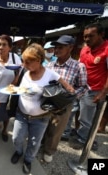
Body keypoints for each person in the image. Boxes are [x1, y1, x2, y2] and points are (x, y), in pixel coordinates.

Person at [10, 43, 74, 174]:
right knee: (16, 138)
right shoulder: (24, 71)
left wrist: (68, 92)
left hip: (40, 118)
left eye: (28, 62)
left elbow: (67, 87)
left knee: (34, 143)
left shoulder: (50, 74)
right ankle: (18, 151)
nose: (24, 64)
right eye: (23, 61)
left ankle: (28, 160)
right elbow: (15, 85)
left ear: (38, 61)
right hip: (21, 114)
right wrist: (12, 89)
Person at [42, 35, 88, 163]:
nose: (56, 50)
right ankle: (41, 144)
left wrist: (72, 95)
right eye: (55, 47)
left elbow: (83, 87)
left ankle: (49, 151)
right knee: (43, 124)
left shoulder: (79, 66)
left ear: (70, 47)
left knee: (56, 130)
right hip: (48, 100)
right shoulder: (50, 65)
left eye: (60, 47)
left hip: (64, 104)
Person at [70, 23, 108, 150]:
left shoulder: (107, 49)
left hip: (94, 91)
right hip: (79, 87)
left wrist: (102, 93)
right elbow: (79, 66)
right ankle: (78, 133)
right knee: (74, 112)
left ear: (101, 34)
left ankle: (84, 140)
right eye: (85, 36)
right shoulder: (85, 48)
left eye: (90, 36)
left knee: (86, 118)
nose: (86, 39)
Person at [0, 34, 22, 147]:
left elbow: (19, 72)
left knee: (7, 115)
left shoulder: (15, 58)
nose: (1, 47)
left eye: (4, 45)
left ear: (10, 47)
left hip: (11, 94)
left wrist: (16, 80)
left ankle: (4, 130)